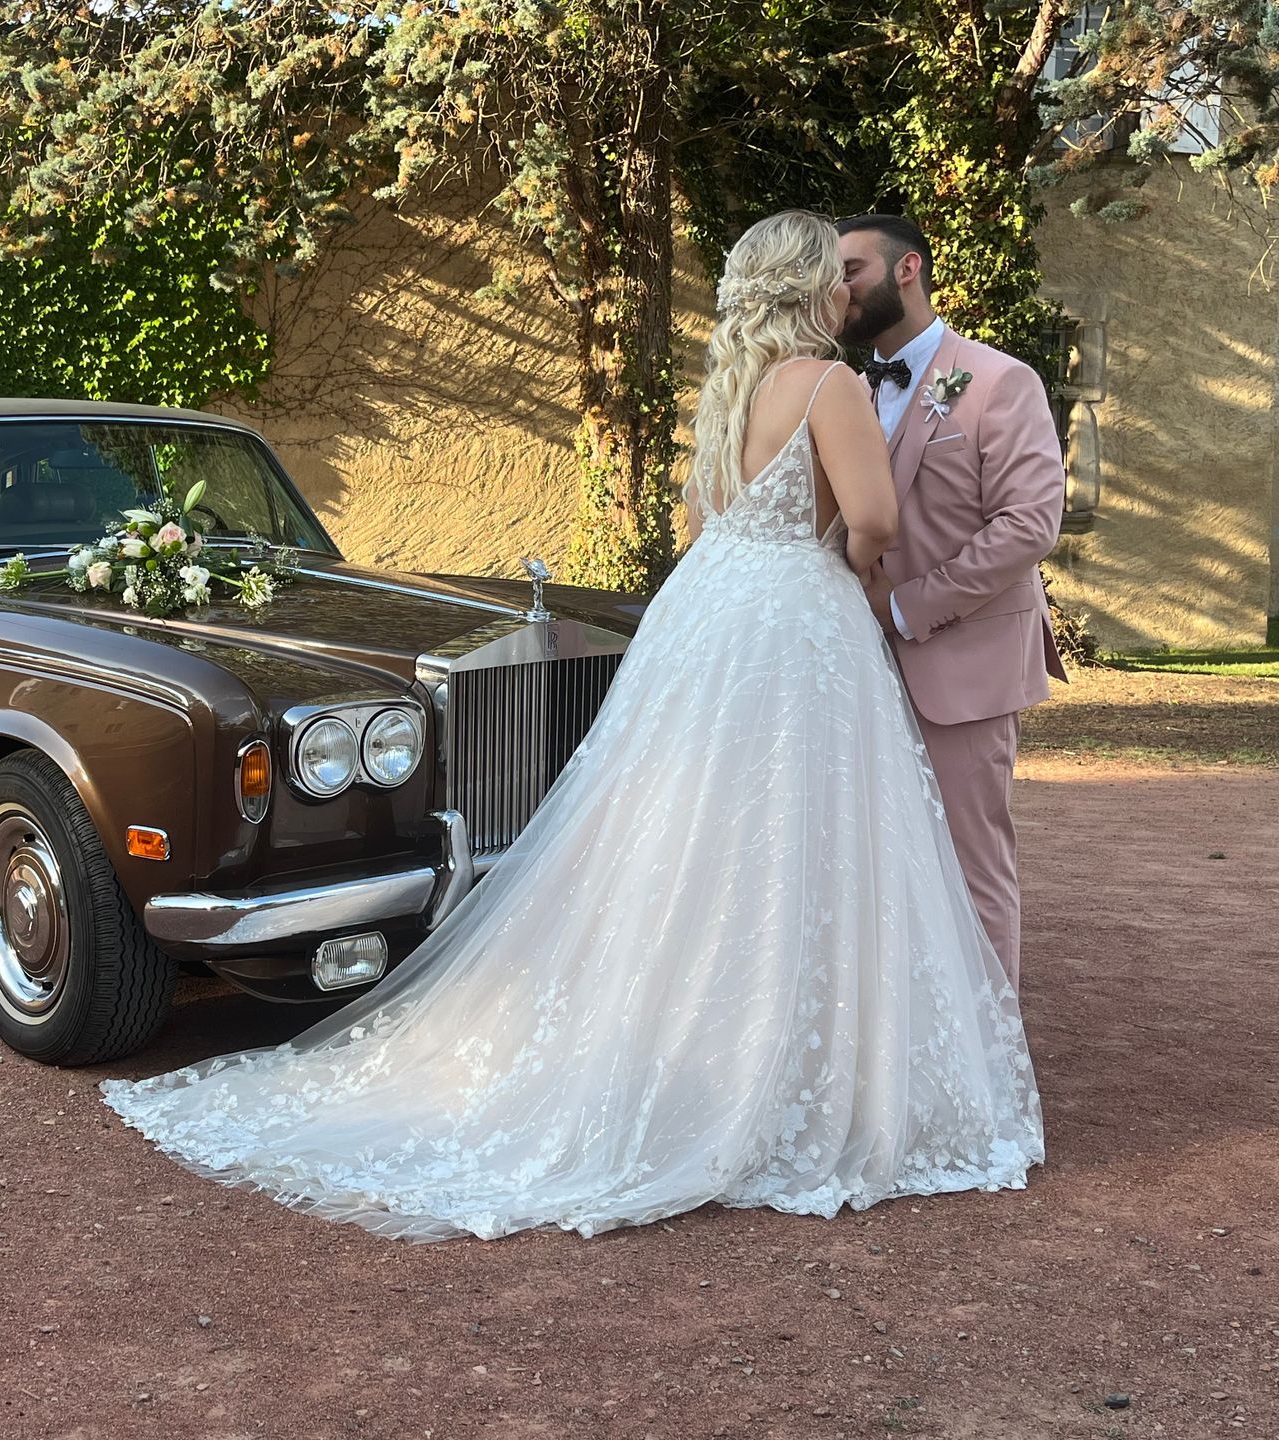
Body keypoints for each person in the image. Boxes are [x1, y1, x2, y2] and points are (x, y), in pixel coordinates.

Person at [98, 211, 1043, 1243]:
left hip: (716, 610)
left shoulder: (727, 393)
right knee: (801, 841)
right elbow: (875, 522)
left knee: (701, 841)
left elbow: (706, 522)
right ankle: (802, 1071)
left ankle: (700, 1053)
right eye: (836, 274)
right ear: (813, 287)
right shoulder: (830, 385)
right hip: (797, 622)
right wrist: (850, 572)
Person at [836, 215, 1068, 989]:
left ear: (908, 271)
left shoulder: (1000, 381)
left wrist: (905, 610)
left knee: (971, 869)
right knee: (875, 861)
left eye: (852, 269)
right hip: (857, 666)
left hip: (962, 667)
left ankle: (994, 1063)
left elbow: (1028, 526)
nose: (839, 288)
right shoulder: (847, 391)